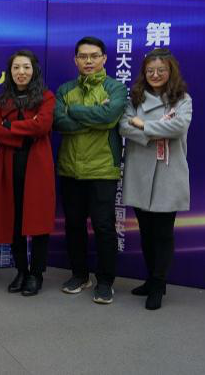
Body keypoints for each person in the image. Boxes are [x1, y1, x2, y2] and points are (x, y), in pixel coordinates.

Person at [53, 36, 127, 304]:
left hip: (102, 168)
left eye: (94, 56)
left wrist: (75, 111)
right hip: (70, 168)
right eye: (83, 56)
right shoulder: (65, 89)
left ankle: (105, 282)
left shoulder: (116, 88)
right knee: (74, 225)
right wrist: (95, 116)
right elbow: (59, 123)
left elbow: (109, 118)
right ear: (75, 60)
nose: (88, 61)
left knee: (104, 227)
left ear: (104, 58)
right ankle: (80, 275)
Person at [119, 48, 191, 310]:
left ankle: (159, 285)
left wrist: (143, 125)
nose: (155, 75)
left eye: (161, 70)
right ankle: (151, 279)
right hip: (140, 172)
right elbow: (124, 126)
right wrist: (153, 131)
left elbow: (178, 127)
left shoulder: (182, 99)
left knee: (162, 233)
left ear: (171, 71)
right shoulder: (135, 97)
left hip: (168, 173)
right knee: (146, 231)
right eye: (150, 70)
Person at [0, 50, 55, 296]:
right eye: (16, 67)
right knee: (14, 218)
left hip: (37, 165)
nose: (21, 72)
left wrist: (10, 126)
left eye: (26, 67)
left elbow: (42, 126)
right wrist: (22, 132)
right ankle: (21, 271)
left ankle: (36, 273)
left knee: (38, 219)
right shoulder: (2, 100)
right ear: (10, 71)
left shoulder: (46, 97)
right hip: (9, 165)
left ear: (34, 70)